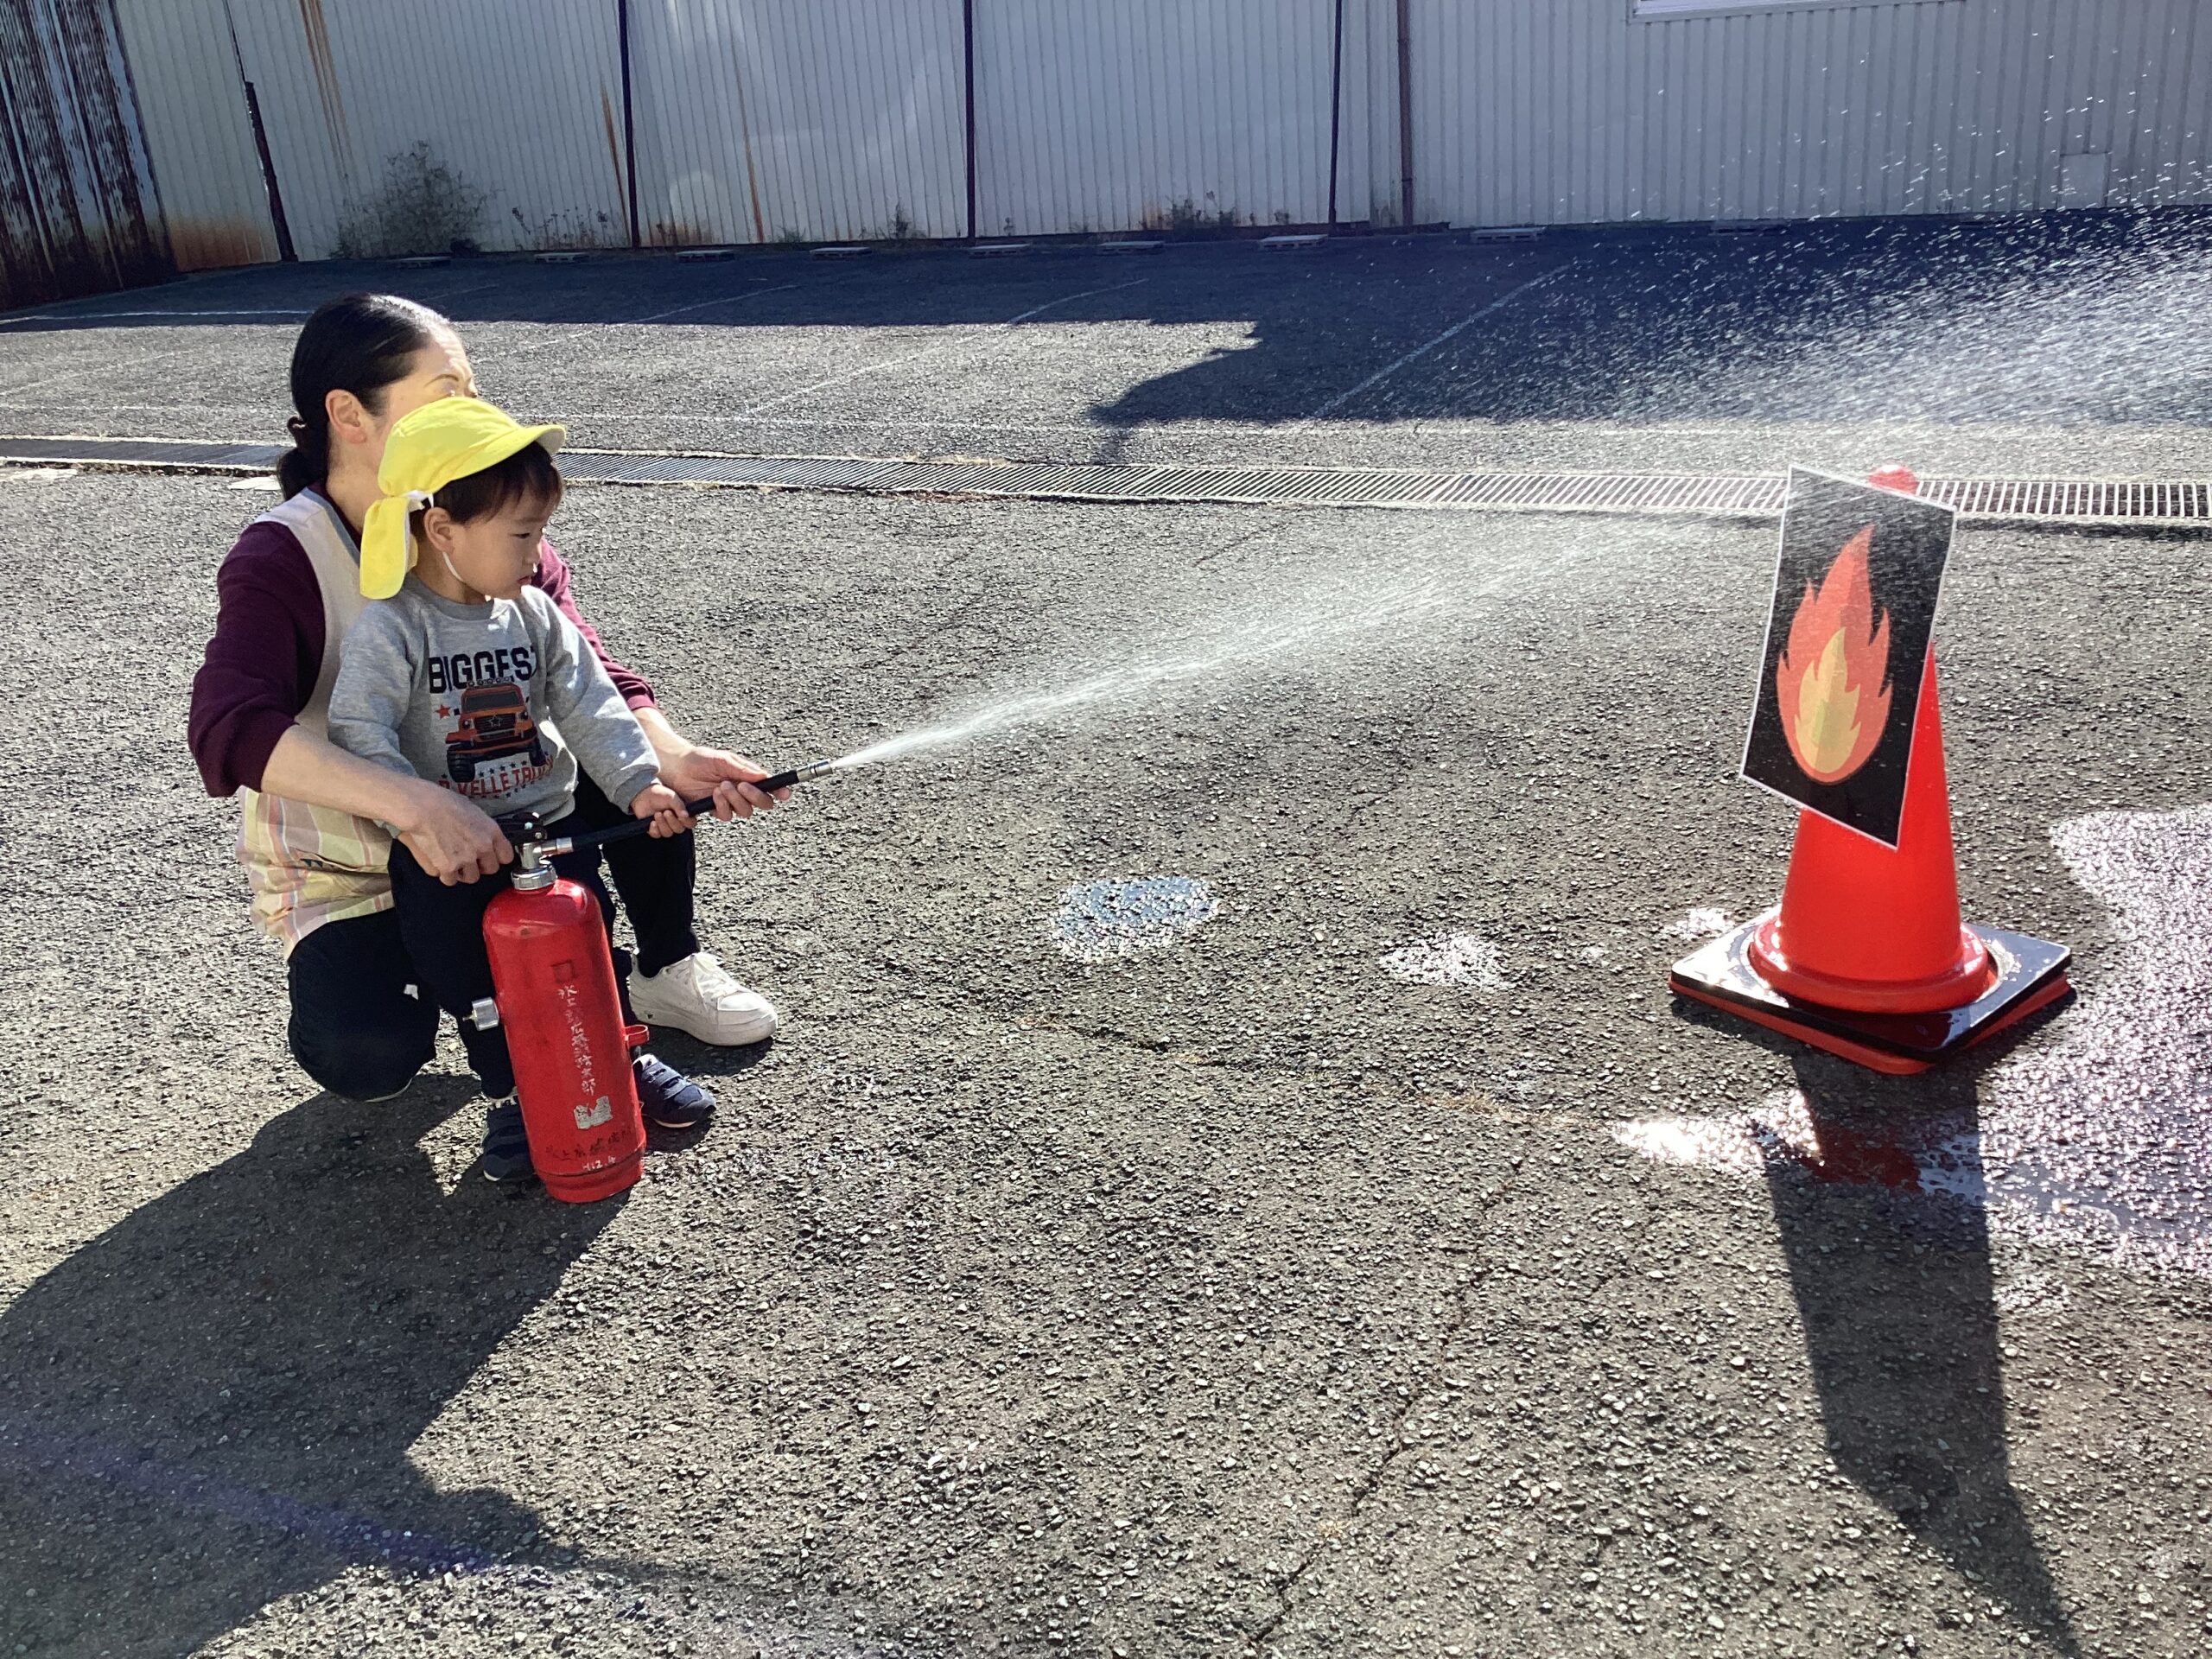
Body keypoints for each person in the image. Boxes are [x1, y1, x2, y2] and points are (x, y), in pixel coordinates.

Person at [188, 293, 785, 1104]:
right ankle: (476, 1001)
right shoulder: (284, 554)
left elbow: (591, 679)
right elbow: (229, 728)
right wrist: (416, 807)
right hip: (356, 861)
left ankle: (661, 968)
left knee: (638, 771)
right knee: (366, 1053)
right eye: (451, 392)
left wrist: (672, 757)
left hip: (509, 816)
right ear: (349, 415)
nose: (480, 411)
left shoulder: (493, 528)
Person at [327, 397, 712, 1180]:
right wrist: (419, 817)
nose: (538, 555)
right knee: (473, 977)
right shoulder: (394, 627)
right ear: (442, 531)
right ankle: (509, 1095)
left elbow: (590, 703)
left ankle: (621, 1058)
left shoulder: (533, 613)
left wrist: (640, 786)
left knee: (589, 944)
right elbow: (357, 734)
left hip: (548, 832)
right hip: (448, 856)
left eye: (538, 533)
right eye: (522, 535)